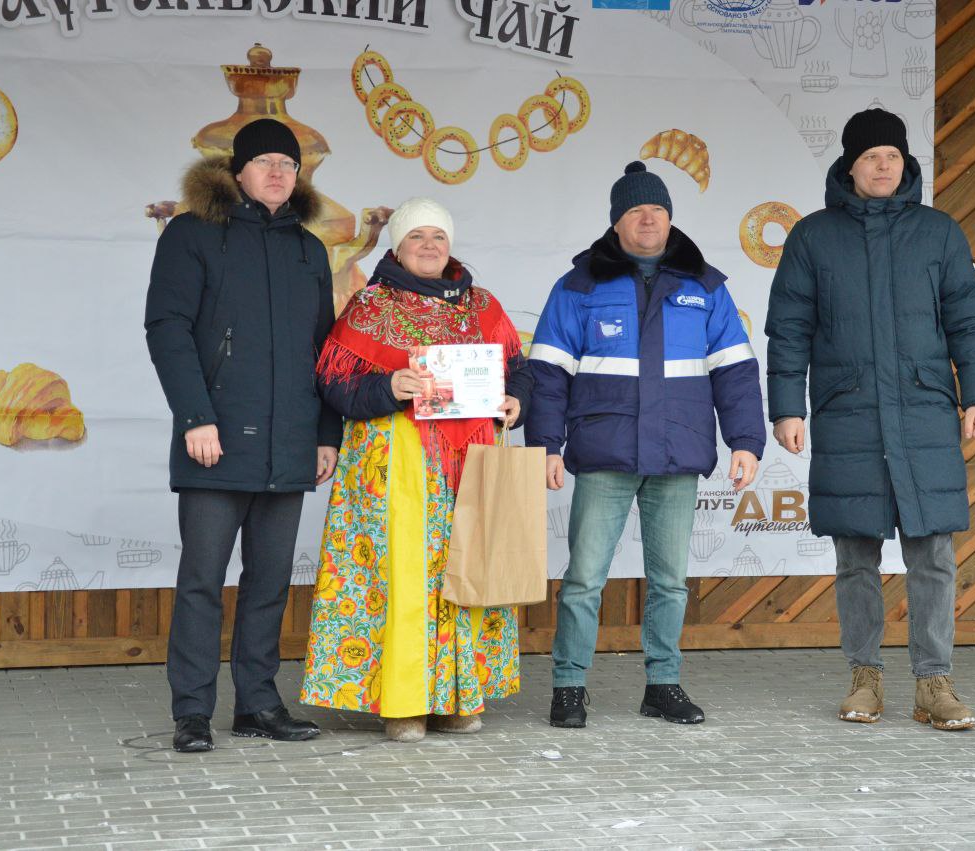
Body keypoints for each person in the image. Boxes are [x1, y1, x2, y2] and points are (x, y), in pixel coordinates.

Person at [764, 109, 975, 730]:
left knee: (933, 553)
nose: (883, 166)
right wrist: (787, 406)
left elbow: (968, 322)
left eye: (892, 156)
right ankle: (865, 677)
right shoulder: (813, 237)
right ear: (849, 165)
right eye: (871, 157)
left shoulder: (939, 233)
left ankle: (934, 683)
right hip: (849, 412)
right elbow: (788, 330)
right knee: (855, 555)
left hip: (923, 409)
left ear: (905, 163)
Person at [526, 162, 765, 728]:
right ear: (617, 224)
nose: (649, 218)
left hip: (677, 453)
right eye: (636, 211)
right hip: (606, 452)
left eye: (656, 209)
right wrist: (546, 444)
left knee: (670, 581)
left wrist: (746, 440)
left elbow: (735, 369)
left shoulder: (704, 286)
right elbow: (548, 371)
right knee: (584, 578)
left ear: (670, 218)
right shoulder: (580, 286)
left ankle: (663, 684)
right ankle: (568, 687)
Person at [299, 197, 532, 743]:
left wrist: (516, 401)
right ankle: (403, 701)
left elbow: (518, 369)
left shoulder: (483, 307)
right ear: (397, 247)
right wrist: (388, 387)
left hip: (467, 462)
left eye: (438, 237)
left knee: (465, 568)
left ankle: (457, 697)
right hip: (395, 461)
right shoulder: (369, 307)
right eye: (416, 237)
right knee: (403, 575)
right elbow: (332, 385)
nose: (429, 246)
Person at [145, 118, 342, 753]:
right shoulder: (193, 234)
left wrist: (325, 432)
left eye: (289, 163)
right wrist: (195, 418)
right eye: (266, 163)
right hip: (216, 439)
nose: (279, 172)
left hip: (288, 446)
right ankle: (193, 712)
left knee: (270, 581)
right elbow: (167, 328)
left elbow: (325, 350)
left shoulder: (308, 250)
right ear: (238, 172)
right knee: (202, 578)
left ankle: (258, 704)